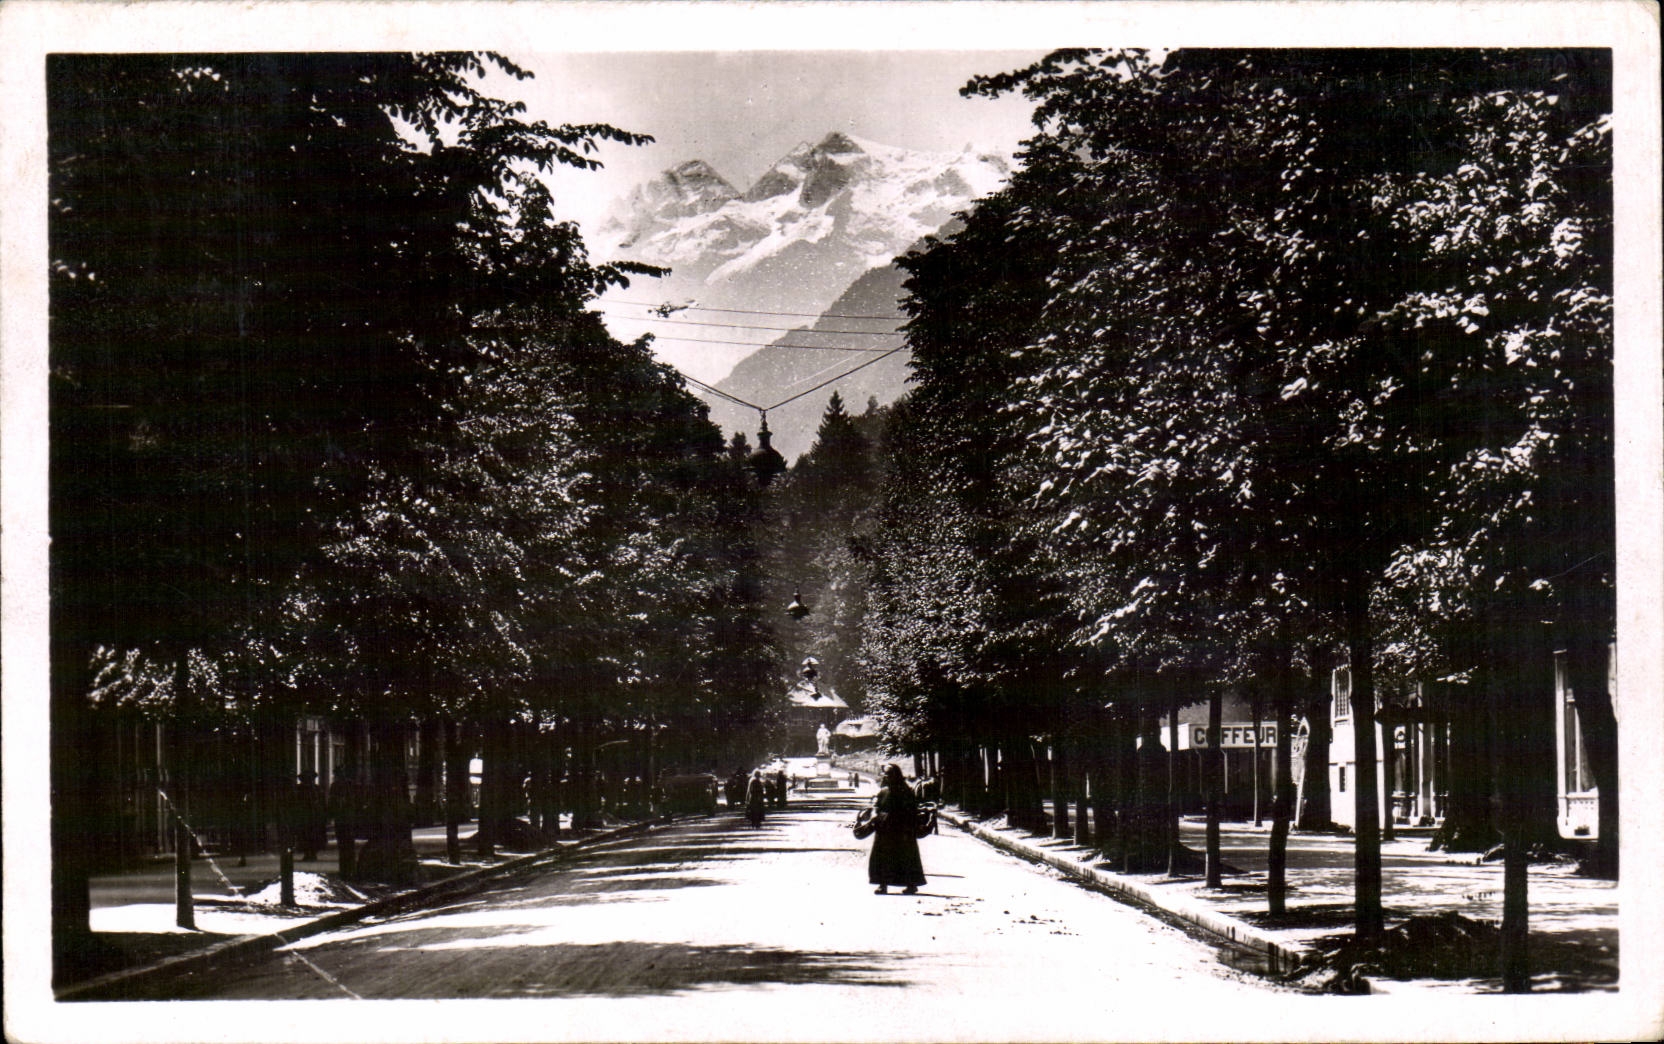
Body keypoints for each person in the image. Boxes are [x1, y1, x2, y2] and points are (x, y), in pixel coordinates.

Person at [868, 764, 927, 895]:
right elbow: (876, 806)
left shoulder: (905, 791)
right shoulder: (883, 791)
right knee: (882, 857)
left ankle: (911, 884)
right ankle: (882, 885)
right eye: (885, 774)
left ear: (896, 775)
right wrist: (874, 814)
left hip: (901, 829)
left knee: (905, 856)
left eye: (889, 774)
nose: (886, 776)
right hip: (884, 829)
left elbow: (911, 810)